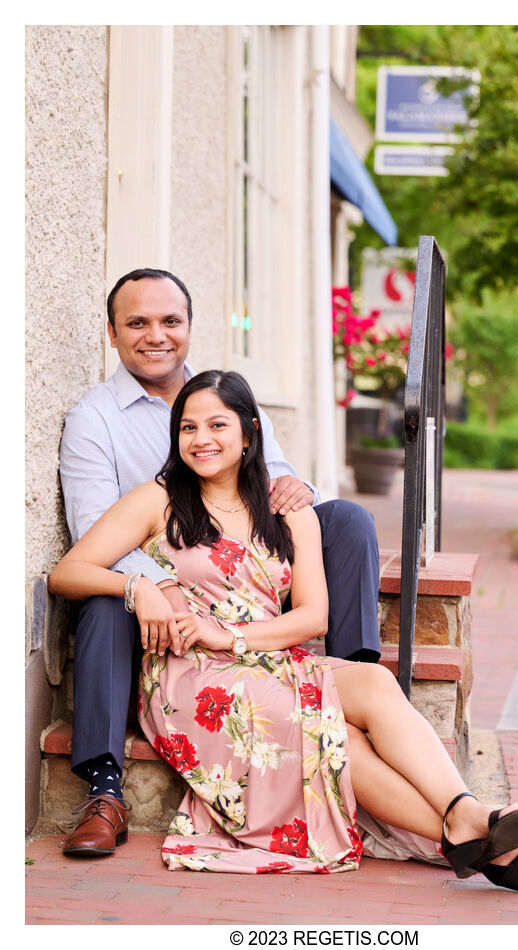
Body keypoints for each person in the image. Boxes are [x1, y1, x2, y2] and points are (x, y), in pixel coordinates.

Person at [49, 370, 518, 890]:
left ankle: (468, 826)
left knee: (367, 693)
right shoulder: (158, 499)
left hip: (261, 657)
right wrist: (138, 589)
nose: (201, 439)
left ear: (249, 432)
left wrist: (231, 638)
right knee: (329, 730)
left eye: (217, 425)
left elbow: (312, 618)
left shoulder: (288, 510)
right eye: (188, 427)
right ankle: (476, 827)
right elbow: (67, 572)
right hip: (191, 679)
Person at [57, 268, 381, 855]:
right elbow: (90, 536)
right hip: (156, 591)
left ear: (188, 328)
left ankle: (350, 684)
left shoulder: (227, 399)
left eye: (169, 321)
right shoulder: (94, 419)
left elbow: (275, 481)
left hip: (240, 568)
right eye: (137, 322)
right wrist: (156, 584)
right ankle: (105, 791)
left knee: (350, 521)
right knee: (105, 601)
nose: (156, 335)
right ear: (111, 333)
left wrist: (298, 492)